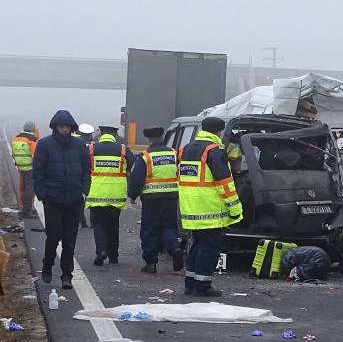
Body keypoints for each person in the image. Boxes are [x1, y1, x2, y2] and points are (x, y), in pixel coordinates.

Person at [178, 116, 243, 297]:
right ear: (219, 132)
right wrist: (236, 209)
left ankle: (190, 284)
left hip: (191, 208)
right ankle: (202, 286)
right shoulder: (214, 151)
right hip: (210, 210)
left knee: (197, 246)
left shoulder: (185, 149)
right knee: (209, 248)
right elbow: (225, 184)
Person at [31, 110, 91, 289]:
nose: (64, 129)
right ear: (56, 127)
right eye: (61, 126)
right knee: (54, 236)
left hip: (74, 198)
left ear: (71, 128)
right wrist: (44, 196)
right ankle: (47, 265)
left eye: (67, 126)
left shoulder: (79, 146)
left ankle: (67, 275)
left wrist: (84, 191)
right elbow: (38, 172)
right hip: (53, 199)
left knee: (70, 239)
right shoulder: (45, 145)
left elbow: (86, 170)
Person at [127, 126, 184, 274]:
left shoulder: (145, 156)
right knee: (169, 226)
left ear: (149, 139)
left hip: (152, 199)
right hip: (171, 196)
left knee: (149, 229)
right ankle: (175, 248)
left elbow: (137, 178)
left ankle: (150, 263)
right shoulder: (174, 153)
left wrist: (132, 195)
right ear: (163, 136)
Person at [86, 125, 135, 265]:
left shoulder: (91, 149)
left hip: (96, 192)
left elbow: (84, 167)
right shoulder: (123, 149)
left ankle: (101, 251)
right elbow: (133, 167)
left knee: (99, 223)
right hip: (116, 193)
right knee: (113, 224)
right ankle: (113, 255)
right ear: (115, 135)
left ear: (101, 134)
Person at [11, 121, 39, 217]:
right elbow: (35, 155)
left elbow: (13, 153)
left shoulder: (16, 139)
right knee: (29, 190)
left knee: (22, 188)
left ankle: (24, 207)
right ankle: (27, 211)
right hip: (30, 168)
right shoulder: (31, 140)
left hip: (20, 167)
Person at [76, 124, 95, 228]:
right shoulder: (95, 144)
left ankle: (81, 220)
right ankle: (93, 222)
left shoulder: (77, 143)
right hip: (94, 174)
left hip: (81, 173)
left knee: (80, 199)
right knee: (92, 199)